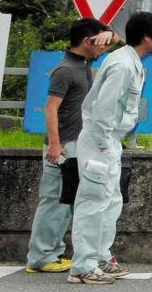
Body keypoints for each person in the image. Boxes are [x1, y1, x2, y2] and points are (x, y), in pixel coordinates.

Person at [67, 11, 152, 285]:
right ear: (147, 36)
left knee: (110, 200)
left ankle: (99, 257)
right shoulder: (123, 65)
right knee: (93, 201)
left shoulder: (129, 61)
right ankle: (82, 266)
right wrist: (101, 145)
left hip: (109, 140)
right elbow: (105, 107)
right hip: (100, 140)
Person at [25, 18, 116, 274]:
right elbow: (51, 108)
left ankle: (52, 253)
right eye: (99, 42)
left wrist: (107, 34)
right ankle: (40, 257)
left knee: (67, 202)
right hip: (62, 146)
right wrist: (54, 145)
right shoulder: (65, 70)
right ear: (88, 41)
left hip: (77, 145)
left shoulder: (83, 64)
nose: (104, 47)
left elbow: (117, 40)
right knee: (54, 201)